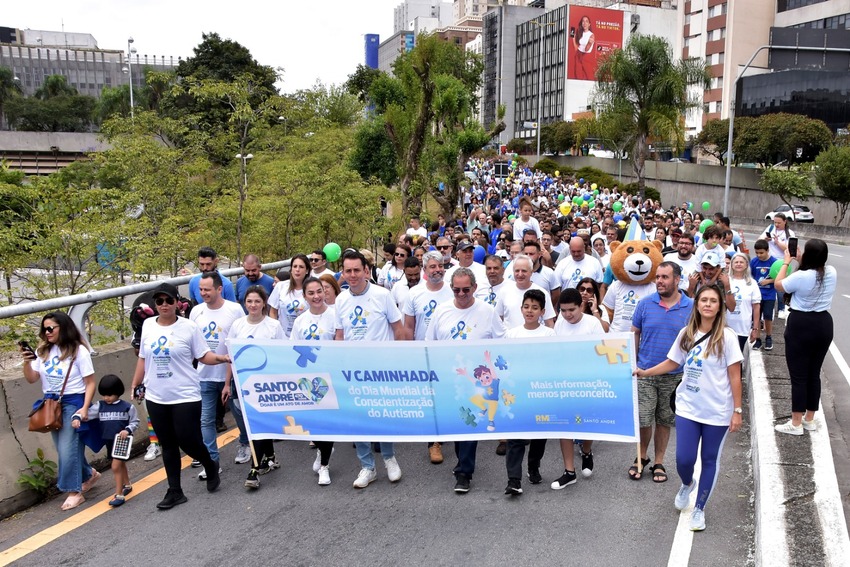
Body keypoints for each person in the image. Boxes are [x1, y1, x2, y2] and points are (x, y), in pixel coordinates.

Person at [634, 285, 743, 532]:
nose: (707, 304)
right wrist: (645, 372)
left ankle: (699, 509)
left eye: (713, 301)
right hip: (688, 408)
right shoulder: (687, 333)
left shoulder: (727, 337)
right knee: (684, 459)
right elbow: (673, 362)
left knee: (709, 459)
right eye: (703, 300)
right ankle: (686, 483)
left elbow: (735, 376)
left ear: (719, 306)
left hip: (717, 411)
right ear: (697, 304)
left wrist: (737, 411)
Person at [131, 282, 231, 509]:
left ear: (177, 302)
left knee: (188, 440)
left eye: (169, 300)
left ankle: (209, 463)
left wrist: (223, 358)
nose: (164, 305)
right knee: (167, 444)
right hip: (156, 395)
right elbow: (143, 358)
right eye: (159, 301)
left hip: (185, 394)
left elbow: (203, 355)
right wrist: (135, 383)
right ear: (155, 305)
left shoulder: (189, 327)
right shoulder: (147, 325)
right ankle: (174, 491)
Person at [426, 268, 505, 493]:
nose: (461, 294)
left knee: (470, 423)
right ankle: (462, 461)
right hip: (448, 378)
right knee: (457, 422)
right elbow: (429, 343)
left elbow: (502, 341)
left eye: (466, 290)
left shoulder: (487, 311)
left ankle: (464, 473)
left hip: (477, 380)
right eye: (456, 289)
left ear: (475, 288)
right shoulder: (442, 311)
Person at [334, 250, 405, 488]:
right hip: (354, 371)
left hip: (382, 369)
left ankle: (389, 458)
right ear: (342, 273)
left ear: (366, 270)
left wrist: (400, 362)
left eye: (357, 270)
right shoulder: (341, 300)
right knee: (359, 420)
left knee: (383, 416)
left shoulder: (382, 295)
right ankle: (367, 467)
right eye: (348, 271)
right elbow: (340, 335)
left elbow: (398, 329)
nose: (352, 275)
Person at [21, 312, 97, 511]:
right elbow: (32, 378)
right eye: (44, 329)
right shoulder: (43, 350)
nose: (46, 333)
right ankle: (89, 474)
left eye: (50, 328)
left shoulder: (78, 351)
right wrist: (27, 362)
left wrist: (84, 408)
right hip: (51, 404)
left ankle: (74, 491)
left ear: (63, 327)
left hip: (73, 401)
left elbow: (90, 383)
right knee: (65, 448)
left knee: (67, 448)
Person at [630, 262, 694, 482]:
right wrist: (633, 362)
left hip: (675, 375)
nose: (659, 281)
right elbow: (634, 334)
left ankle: (658, 461)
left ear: (677, 280)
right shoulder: (645, 304)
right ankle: (641, 456)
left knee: (665, 420)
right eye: (657, 277)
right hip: (645, 373)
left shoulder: (691, 306)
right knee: (644, 419)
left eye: (665, 277)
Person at [774, 238, 837, 435]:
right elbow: (813, 270)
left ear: (807, 255)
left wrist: (786, 261)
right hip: (824, 324)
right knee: (813, 373)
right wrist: (802, 260)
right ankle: (809, 419)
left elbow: (779, 285)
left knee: (799, 376)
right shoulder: (831, 272)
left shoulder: (801, 276)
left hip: (801, 324)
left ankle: (795, 423)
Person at [189, 272, 246, 478]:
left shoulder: (234, 310)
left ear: (219, 289)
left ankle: (245, 443)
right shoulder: (196, 312)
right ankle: (212, 461)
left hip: (231, 375)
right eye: (201, 290)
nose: (203, 293)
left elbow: (238, 342)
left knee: (240, 414)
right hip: (204, 375)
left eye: (207, 289)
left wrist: (229, 381)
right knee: (206, 420)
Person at [228, 285, 285, 489]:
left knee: (258, 423)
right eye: (250, 301)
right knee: (253, 423)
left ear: (264, 303)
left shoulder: (273, 326)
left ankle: (254, 469)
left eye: (257, 301)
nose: (253, 305)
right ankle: (269, 456)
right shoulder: (237, 325)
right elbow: (231, 356)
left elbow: (282, 354)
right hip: (243, 382)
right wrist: (228, 383)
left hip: (266, 384)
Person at [551, 288, 605, 489]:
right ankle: (569, 471)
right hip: (564, 383)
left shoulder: (592, 324)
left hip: (587, 383)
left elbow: (602, 351)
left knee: (586, 424)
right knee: (565, 425)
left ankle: (587, 450)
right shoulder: (560, 324)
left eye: (571, 310)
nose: (567, 315)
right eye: (563, 311)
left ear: (581, 306)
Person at [504, 289, 556, 496]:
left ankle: (533, 467)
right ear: (521, 309)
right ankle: (513, 480)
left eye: (535, 308)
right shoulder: (512, 334)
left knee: (539, 436)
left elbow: (554, 362)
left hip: (541, 393)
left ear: (542, 311)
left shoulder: (549, 334)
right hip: (517, 393)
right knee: (515, 437)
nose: (530, 311)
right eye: (526, 307)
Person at [290, 278, 338, 484]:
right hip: (306, 378)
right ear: (305, 296)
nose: (317, 296)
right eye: (311, 293)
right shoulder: (300, 321)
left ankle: (325, 466)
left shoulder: (336, 316)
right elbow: (292, 348)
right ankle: (322, 449)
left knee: (324, 422)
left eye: (320, 291)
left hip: (329, 377)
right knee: (310, 422)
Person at [80, 374, 140, 508]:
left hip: (122, 440)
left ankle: (119, 494)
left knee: (115, 466)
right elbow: (87, 414)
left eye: (110, 395)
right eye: (104, 395)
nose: (106, 398)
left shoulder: (127, 407)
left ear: (118, 393)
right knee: (120, 463)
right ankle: (127, 484)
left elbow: (135, 421)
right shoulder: (100, 406)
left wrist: (128, 430)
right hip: (109, 440)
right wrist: (78, 416)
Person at [760, 213, 795, 320]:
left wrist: (777, 242)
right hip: (769, 260)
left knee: (780, 285)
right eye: (775, 222)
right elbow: (759, 240)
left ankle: (781, 308)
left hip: (782, 262)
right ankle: (765, 309)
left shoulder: (790, 233)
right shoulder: (770, 228)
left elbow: (790, 249)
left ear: (785, 221)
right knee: (766, 283)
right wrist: (766, 240)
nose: (776, 224)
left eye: (779, 222)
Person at [269, 253, 310, 337]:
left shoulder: (312, 289)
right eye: (295, 266)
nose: (297, 270)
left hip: (304, 337)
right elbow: (273, 312)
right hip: (283, 336)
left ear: (307, 270)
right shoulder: (280, 286)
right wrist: (277, 331)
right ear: (291, 269)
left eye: (301, 267)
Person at [727, 252, 761, 352]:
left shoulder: (752, 283)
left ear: (746, 265)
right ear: (732, 265)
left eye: (741, 262)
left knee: (738, 356)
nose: (738, 264)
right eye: (736, 262)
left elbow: (756, 307)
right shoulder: (726, 280)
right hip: (725, 325)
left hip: (742, 327)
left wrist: (755, 329)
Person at [750, 240, 778, 350]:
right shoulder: (754, 262)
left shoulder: (774, 262)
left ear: (767, 250)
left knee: (767, 315)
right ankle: (757, 339)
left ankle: (769, 337)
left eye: (761, 253)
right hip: (757, 295)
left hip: (769, 294)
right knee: (756, 317)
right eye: (757, 252)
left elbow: (780, 277)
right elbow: (750, 275)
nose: (759, 255)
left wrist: (769, 281)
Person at [573, 15, 596, 80]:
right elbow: (576, 45)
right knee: (578, 75)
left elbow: (586, 49)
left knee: (589, 76)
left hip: (586, 56)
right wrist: (573, 38)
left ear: (589, 24)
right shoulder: (579, 32)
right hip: (578, 54)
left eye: (586, 21)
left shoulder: (591, 35)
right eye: (583, 21)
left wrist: (589, 43)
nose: (584, 23)